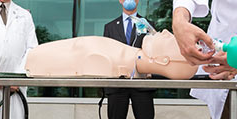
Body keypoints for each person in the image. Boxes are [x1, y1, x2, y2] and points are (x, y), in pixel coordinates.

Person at [102, 0, 157, 119]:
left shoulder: (147, 25)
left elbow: (154, 52)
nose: (129, 0)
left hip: (141, 85)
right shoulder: (110, 27)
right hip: (118, 86)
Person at [24, 30, 198, 81]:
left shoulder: (106, 61)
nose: (166, 32)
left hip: (33, 60)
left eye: (171, 40)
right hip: (33, 59)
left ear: (163, 60)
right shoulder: (120, 53)